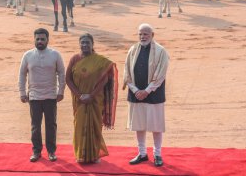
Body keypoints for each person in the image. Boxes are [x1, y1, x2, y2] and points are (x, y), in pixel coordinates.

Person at [66, 33, 118, 163]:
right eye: (82, 42)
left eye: (87, 42)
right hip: (79, 101)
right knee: (79, 126)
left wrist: (91, 95)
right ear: (79, 44)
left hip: (95, 100)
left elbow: (105, 79)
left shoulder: (100, 61)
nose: (84, 45)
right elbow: (68, 79)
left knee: (95, 126)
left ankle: (94, 155)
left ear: (92, 44)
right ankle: (80, 155)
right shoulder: (74, 59)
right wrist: (80, 95)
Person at [123, 24, 169, 167]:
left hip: (154, 95)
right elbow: (127, 72)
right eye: (140, 34)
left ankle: (157, 154)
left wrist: (147, 90)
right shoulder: (132, 50)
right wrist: (135, 90)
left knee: (156, 126)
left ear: (152, 35)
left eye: (146, 34)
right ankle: (142, 153)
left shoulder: (161, 52)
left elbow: (161, 74)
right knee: (139, 125)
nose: (142, 37)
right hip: (136, 94)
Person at [18, 28, 65, 163]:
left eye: (42, 39)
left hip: (51, 96)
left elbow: (62, 73)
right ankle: (36, 151)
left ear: (47, 40)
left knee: (51, 125)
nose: (40, 41)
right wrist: (22, 92)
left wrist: (61, 91)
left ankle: (51, 151)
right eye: (37, 39)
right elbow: (22, 74)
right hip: (34, 97)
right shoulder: (27, 55)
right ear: (34, 39)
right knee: (35, 126)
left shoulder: (55, 54)